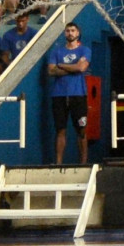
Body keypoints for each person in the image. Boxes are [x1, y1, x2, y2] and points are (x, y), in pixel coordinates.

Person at [47, 23, 91, 165]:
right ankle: (58, 163)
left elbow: (82, 67)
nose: (70, 33)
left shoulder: (85, 50)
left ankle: (83, 163)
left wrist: (61, 65)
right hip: (58, 95)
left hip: (78, 95)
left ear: (78, 33)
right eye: (67, 31)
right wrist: (74, 68)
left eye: (73, 30)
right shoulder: (56, 52)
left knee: (82, 130)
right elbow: (51, 71)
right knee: (60, 130)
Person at [0, 11, 34, 80]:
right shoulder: (8, 35)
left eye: (23, 21)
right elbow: (5, 55)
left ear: (27, 19)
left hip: (30, 62)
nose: (20, 23)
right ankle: (3, 87)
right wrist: (10, 64)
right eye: (18, 21)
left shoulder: (34, 33)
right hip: (14, 62)